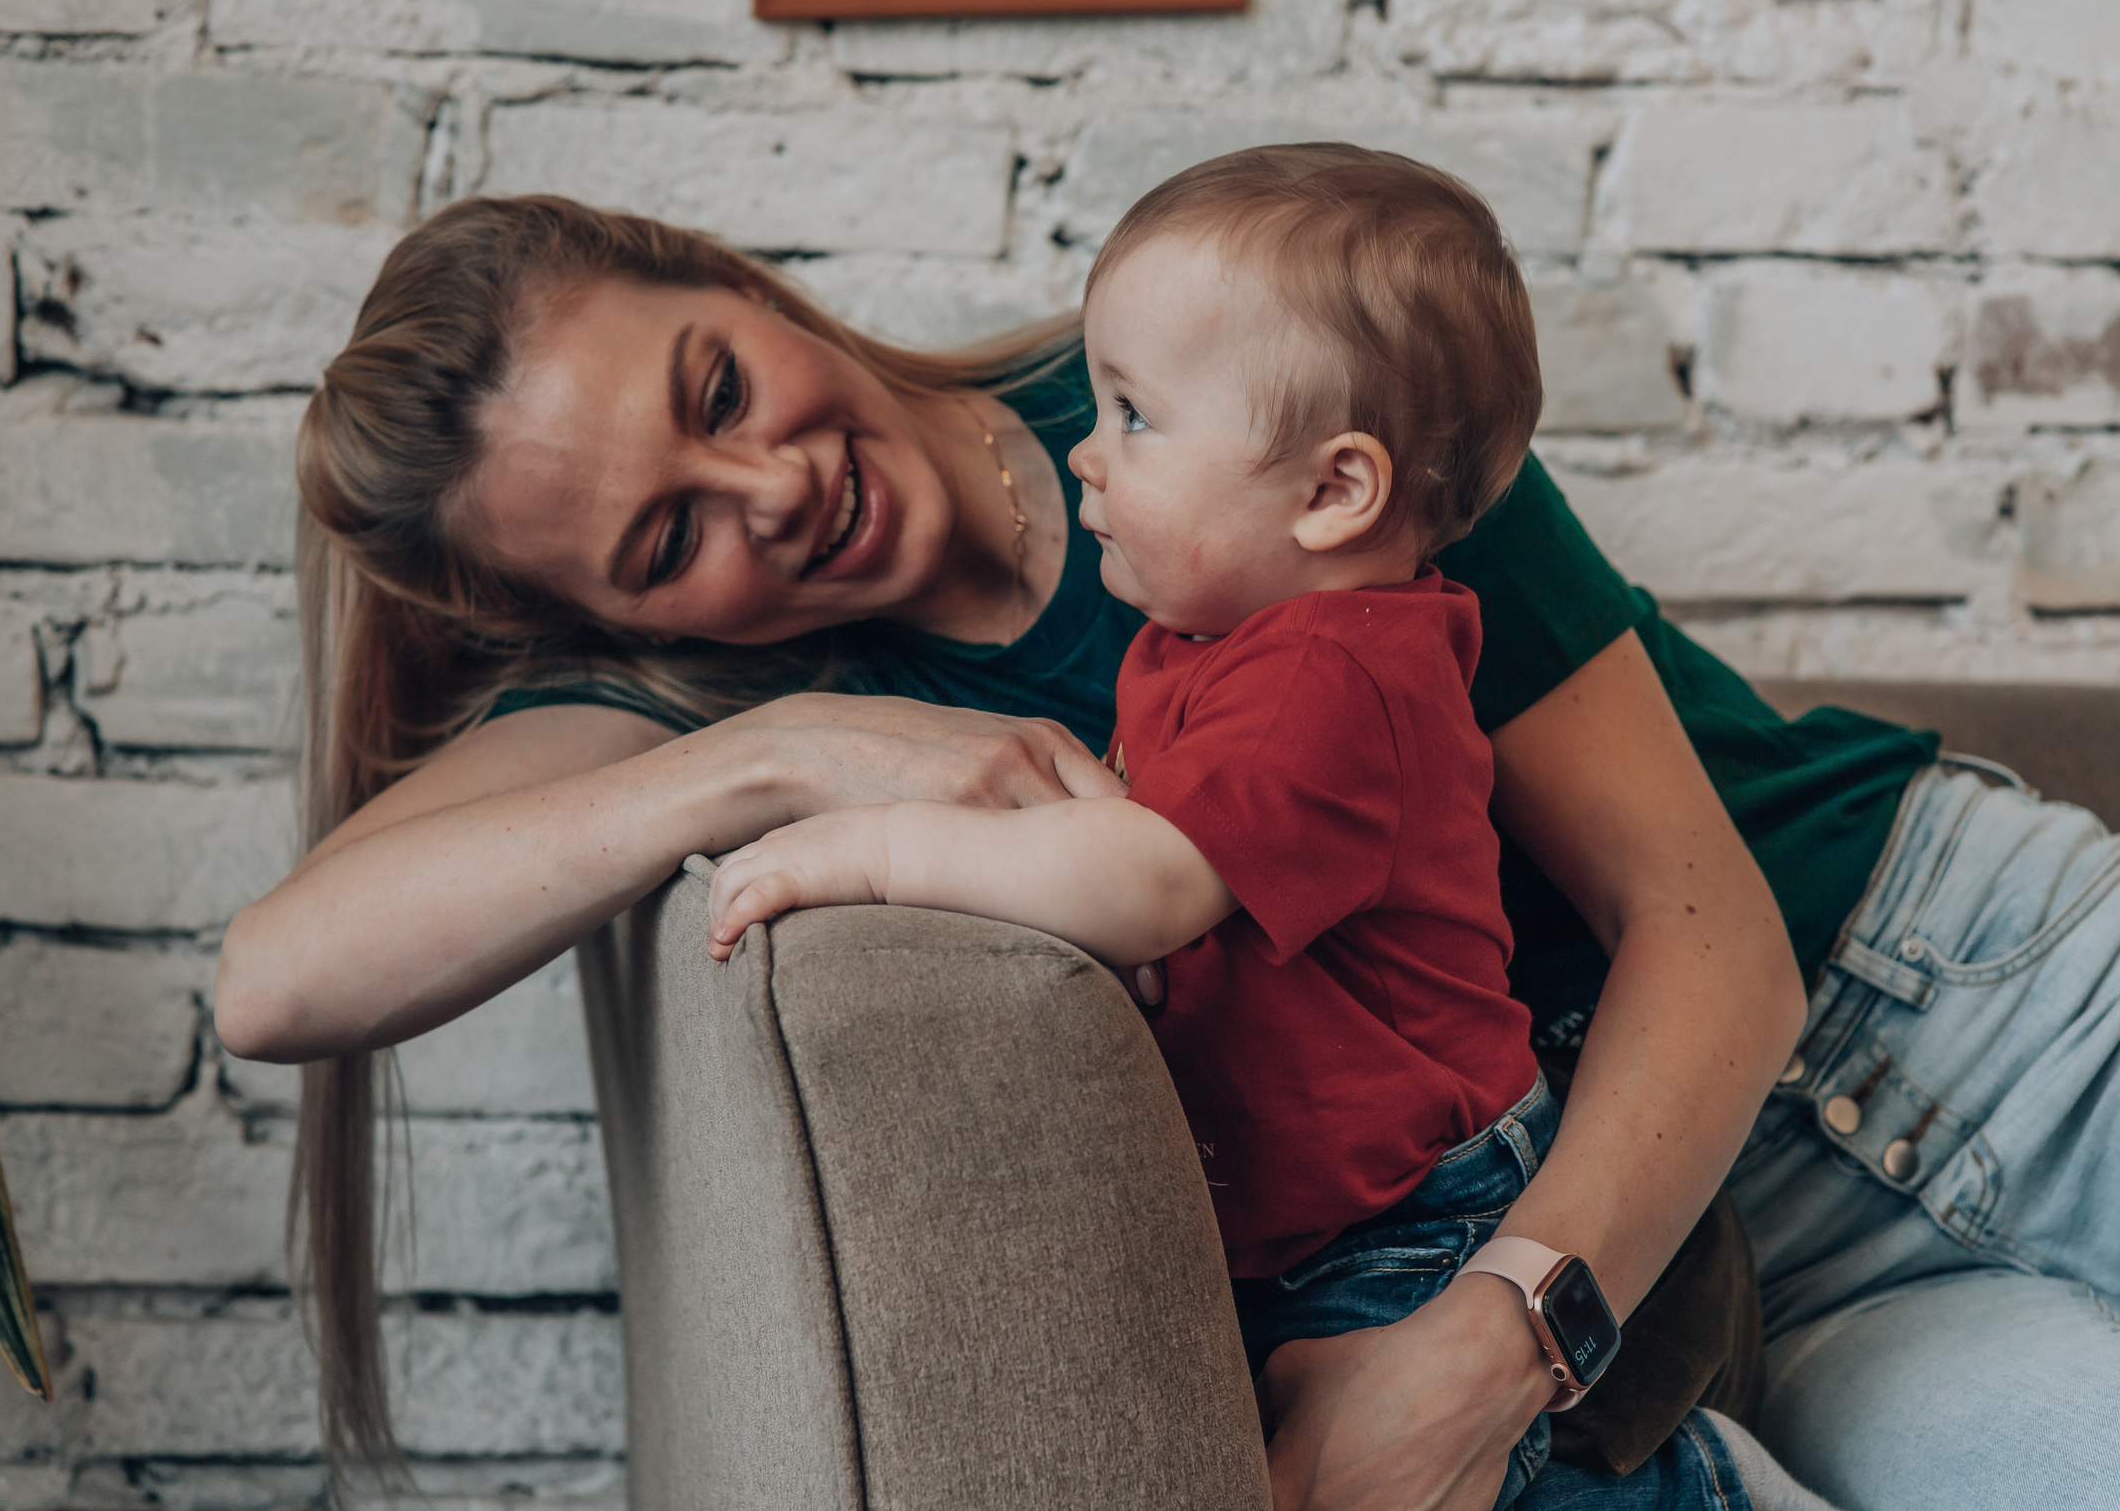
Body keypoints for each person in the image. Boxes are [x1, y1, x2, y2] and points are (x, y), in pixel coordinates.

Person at [218, 148, 2120, 1511]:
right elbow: (281, 976)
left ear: (734, 279)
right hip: (1728, 1271)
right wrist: (750, 763)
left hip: (1977, 980)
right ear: (597, 617)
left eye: (709, 386)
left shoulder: (1232, 358)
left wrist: (1491, 1340)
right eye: (664, 539)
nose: (761, 489)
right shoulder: (761, 705)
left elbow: (1713, 935)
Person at [701, 150, 1829, 1509]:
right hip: (1333, 1215)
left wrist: (867, 851)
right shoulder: (1224, 646)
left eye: (1134, 416)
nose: (1084, 451)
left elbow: (1144, 882)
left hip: (1422, 1215)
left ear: (1333, 493)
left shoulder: (1333, 676)